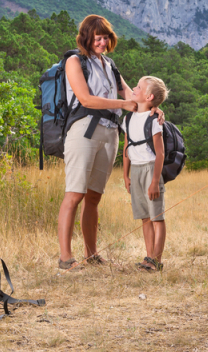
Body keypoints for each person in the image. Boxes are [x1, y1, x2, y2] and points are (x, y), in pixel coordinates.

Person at [57, 15, 164, 270]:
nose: (103, 42)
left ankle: (91, 254)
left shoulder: (109, 64)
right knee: (75, 194)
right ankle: (65, 258)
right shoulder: (74, 61)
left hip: (110, 132)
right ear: (86, 37)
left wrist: (155, 108)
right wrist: (122, 104)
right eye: (98, 38)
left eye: (106, 37)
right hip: (84, 130)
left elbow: (130, 94)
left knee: (94, 197)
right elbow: (85, 99)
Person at [122, 76, 169, 271]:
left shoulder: (154, 120)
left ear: (148, 96)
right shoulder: (128, 118)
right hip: (137, 169)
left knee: (156, 217)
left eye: (139, 87)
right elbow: (126, 148)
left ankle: (156, 260)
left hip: (150, 170)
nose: (134, 87)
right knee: (144, 217)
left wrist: (155, 181)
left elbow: (160, 153)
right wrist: (126, 175)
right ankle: (148, 257)